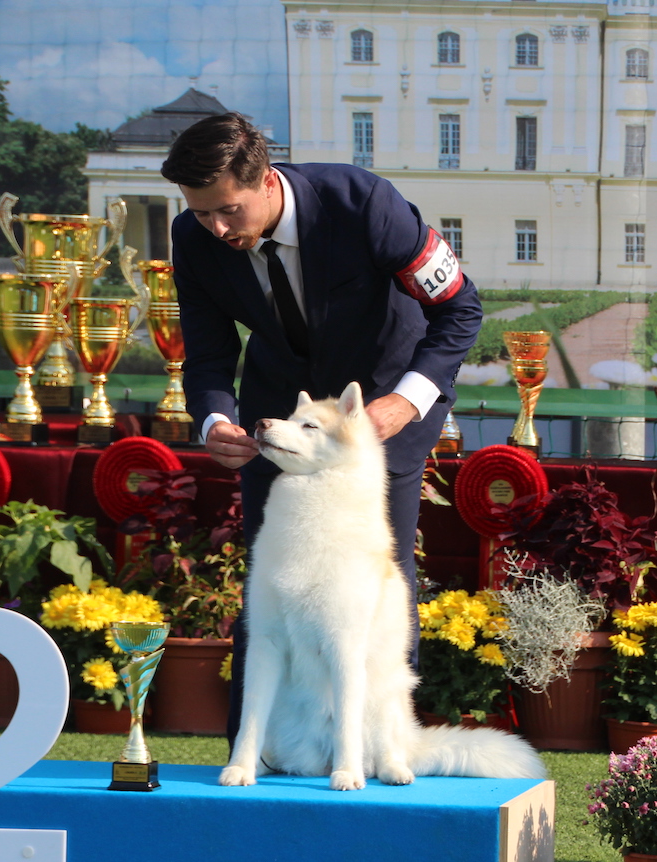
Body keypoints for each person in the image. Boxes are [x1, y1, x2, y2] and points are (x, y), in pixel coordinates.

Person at [160, 112, 482, 741]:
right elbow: (206, 353)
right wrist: (214, 421)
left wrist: (406, 402)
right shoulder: (192, 236)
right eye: (201, 213)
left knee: (376, 591)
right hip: (281, 424)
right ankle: (255, 756)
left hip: (380, 416)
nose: (216, 227)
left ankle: (382, 751)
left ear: (267, 181)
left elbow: (460, 309)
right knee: (270, 587)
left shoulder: (365, 204)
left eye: (227, 209)